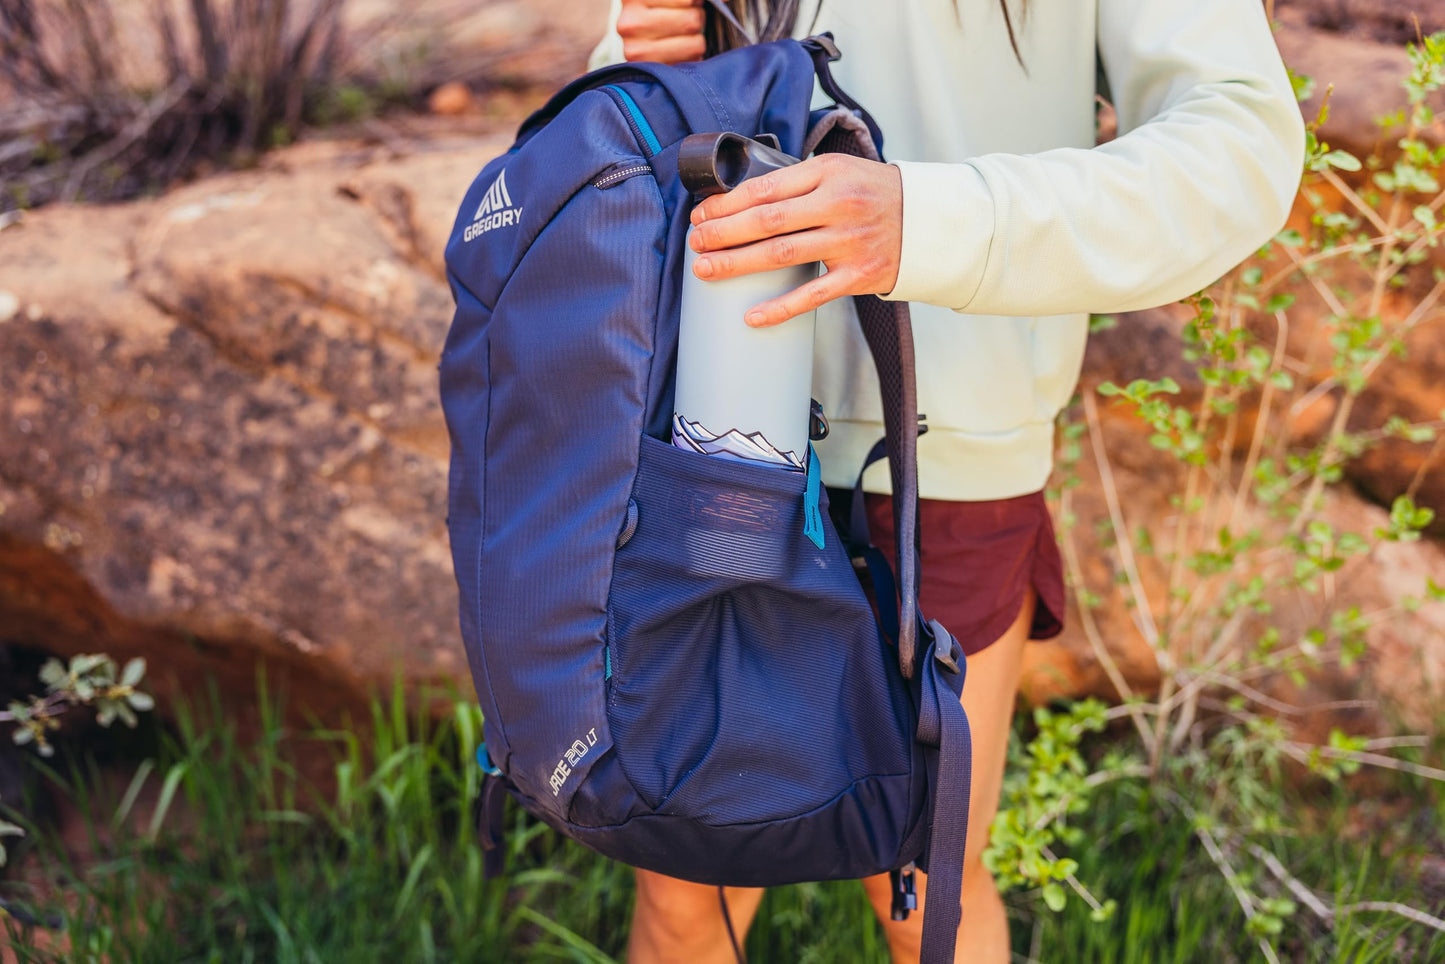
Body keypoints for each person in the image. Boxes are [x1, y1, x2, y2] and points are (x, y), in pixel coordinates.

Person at [590, 0, 1306, 961]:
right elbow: (608, 134)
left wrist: (927, 221)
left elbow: (1240, 142)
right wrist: (640, 62)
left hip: (948, 462)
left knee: (927, 896)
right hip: (704, 441)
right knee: (684, 899)